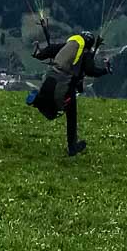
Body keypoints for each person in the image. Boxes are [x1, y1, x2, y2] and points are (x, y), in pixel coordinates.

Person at [27, 27, 112, 156]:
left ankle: (37, 100)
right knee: (70, 114)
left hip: (49, 78)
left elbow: (50, 50)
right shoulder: (85, 53)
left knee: (47, 102)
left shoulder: (68, 45)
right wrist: (105, 70)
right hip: (64, 83)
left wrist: (38, 54)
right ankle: (72, 147)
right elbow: (91, 70)